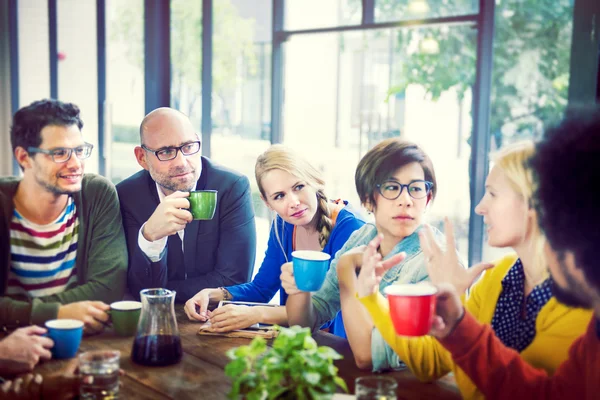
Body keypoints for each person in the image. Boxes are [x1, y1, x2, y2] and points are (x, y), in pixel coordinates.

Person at [355, 141, 592, 399]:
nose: (480, 207)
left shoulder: (581, 297)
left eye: (492, 193)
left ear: (532, 201)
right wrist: (372, 296)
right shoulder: (497, 275)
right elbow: (430, 364)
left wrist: (458, 320)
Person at [422, 108, 600, 399]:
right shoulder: (595, 332)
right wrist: (457, 325)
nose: (545, 236)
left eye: (551, 221)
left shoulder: (584, 317)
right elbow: (543, 394)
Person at [282, 138, 449, 371]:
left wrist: (346, 268)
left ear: (428, 198)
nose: (406, 201)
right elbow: (306, 320)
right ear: (368, 199)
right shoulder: (364, 235)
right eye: (392, 187)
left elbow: (369, 356)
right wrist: (299, 290)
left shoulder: (436, 261)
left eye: (416, 189)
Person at [183, 145, 365, 335]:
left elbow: (323, 310)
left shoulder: (352, 228)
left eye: (299, 187)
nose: (293, 202)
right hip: (297, 344)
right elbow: (262, 288)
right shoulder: (283, 225)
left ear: (315, 180)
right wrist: (213, 294)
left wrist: (257, 314)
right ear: (267, 203)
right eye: (279, 196)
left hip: (343, 350)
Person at [0, 99, 127, 333]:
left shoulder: (96, 194)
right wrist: (56, 313)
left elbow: (107, 288)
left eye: (79, 150)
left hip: (78, 342)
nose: (75, 164)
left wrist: (13, 312)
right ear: (24, 157)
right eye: (59, 153)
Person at [116, 108, 256, 302]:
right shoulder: (127, 196)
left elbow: (235, 280)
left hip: (216, 318)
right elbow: (134, 286)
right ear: (142, 158)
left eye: (189, 147)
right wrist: (150, 237)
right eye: (165, 152)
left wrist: (163, 292)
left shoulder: (231, 187)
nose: (182, 162)